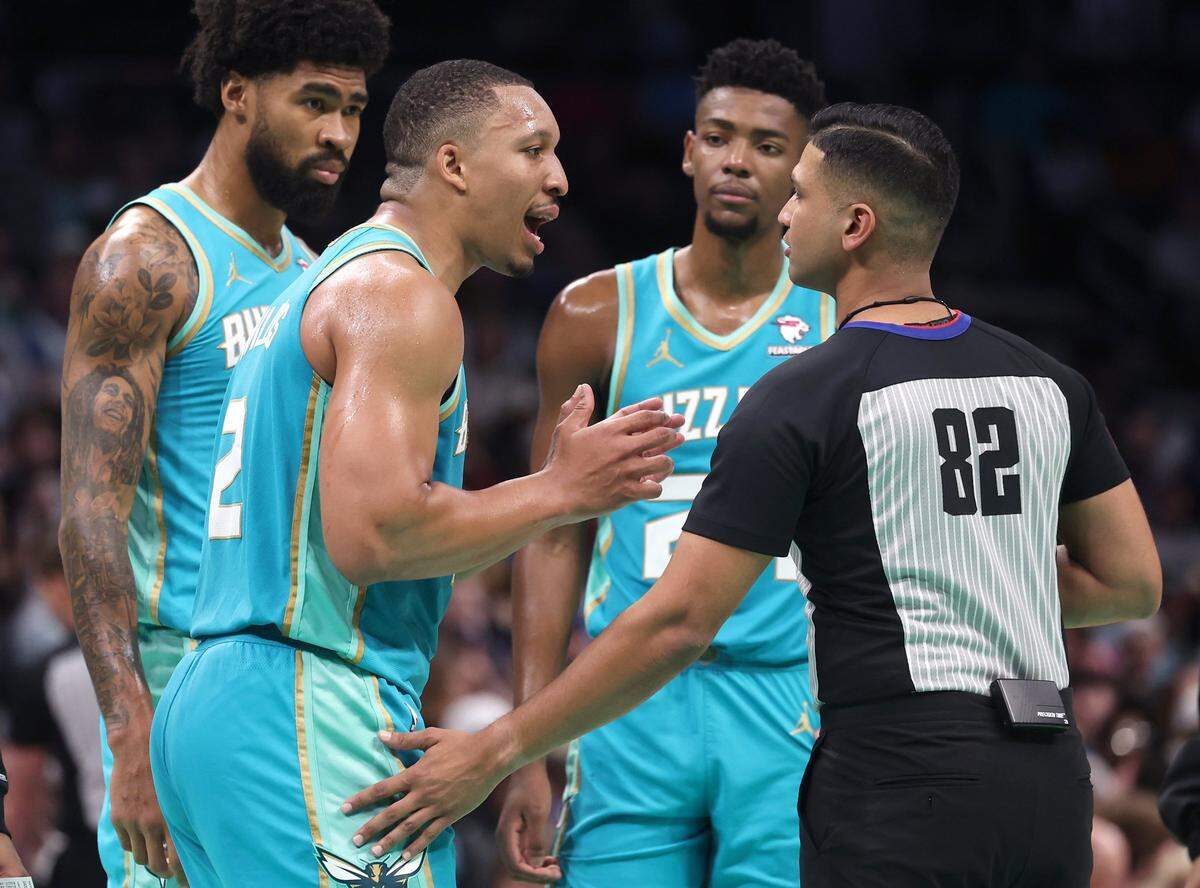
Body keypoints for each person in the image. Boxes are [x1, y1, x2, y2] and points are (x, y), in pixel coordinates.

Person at [341, 103, 1163, 888]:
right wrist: (960, 578)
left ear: (855, 228)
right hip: (1047, 776)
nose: (783, 213)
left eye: (801, 195)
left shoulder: (802, 396)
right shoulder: (1051, 382)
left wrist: (498, 748)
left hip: (900, 774)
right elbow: (1131, 583)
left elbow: (679, 620)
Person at [148, 60, 683, 888]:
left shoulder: (322, 281)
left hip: (218, 695)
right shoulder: (400, 297)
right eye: (533, 149)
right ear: (454, 164)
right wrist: (559, 491)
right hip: (300, 698)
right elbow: (375, 533)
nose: (560, 178)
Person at [57, 1, 390, 884]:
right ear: (236, 94)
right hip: (174, 676)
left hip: (291, 682)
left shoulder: (317, 274)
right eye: (315, 102)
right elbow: (89, 518)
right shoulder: (148, 260)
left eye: (354, 109)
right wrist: (129, 736)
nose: (339, 133)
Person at [497, 38, 829, 887]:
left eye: (767, 144)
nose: (737, 162)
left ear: (802, 169)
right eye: (719, 136)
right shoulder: (594, 313)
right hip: (628, 700)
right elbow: (551, 530)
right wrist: (530, 736)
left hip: (790, 699)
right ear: (688, 150)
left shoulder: (841, 324)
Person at [3, 541, 104, 887]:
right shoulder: (171, 654)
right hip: (170, 844)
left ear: (60, 583)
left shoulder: (47, 674)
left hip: (88, 852)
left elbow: (20, 797)